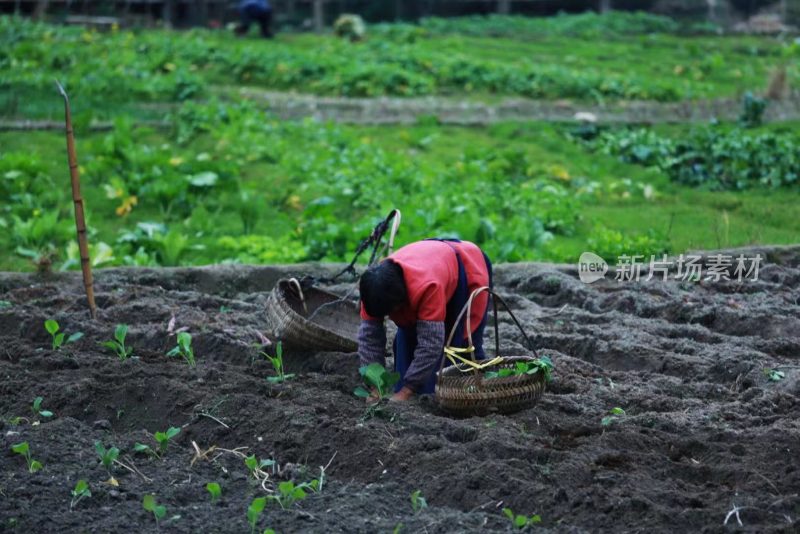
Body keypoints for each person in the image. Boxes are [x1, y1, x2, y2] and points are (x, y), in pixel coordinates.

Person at [358, 239, 492, 401]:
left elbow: (431, 344)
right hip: (430, 261)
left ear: (401, 302)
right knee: (407, 340)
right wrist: (375, 385)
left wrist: (407, 391)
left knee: (463, 347)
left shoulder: (427, 286)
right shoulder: (373, 290)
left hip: (466, 265)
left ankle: (482, 389)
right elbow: (369, 339)